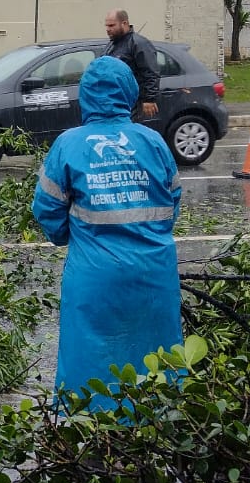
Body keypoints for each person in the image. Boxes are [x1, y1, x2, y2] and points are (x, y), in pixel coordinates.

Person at [31, 55, 183, 413]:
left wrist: (77, 237)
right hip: (154, 277)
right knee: (157, 363)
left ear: (85, 96)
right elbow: (172, 203)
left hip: (94, 277)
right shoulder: (153, 142)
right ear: (129, 93)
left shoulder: (69, 144)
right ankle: (155, 439)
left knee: (89, 363)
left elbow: (47, 210)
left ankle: (92, 441)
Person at [102, 9, 160, 120]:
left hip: (133, 103)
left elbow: (150, 72)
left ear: (124, 23)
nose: (108, 29)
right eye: (106, 26)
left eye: (111, 25)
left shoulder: (138, 44)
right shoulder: (112, 44)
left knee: (129, 134)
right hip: (115, 101)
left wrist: (149, 99)